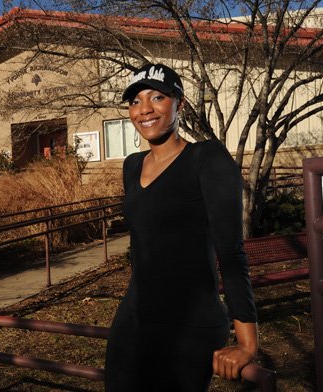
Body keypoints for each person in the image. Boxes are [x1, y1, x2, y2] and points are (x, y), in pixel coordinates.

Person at [104, 63, 258, 391]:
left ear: (179, 104)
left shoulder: (207, 159)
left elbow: (231, 253)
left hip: (191, 325)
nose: (144, 109)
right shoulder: (132, 166)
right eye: (134, 101)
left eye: (157, 97)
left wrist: (246, 343)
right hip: (132, 322)